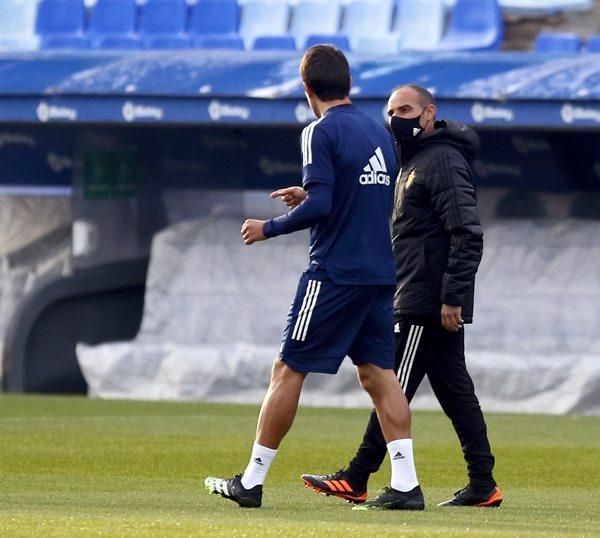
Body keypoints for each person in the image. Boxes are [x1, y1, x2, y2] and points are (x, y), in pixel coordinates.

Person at [204, 46, 424, 511]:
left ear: (307, 89)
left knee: (287, 370)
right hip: (380, 274)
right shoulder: (378, 132)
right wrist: (310, 193)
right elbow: (360, 194)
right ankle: (406, 485)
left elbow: (323, 207)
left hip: (335, 274)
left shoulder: (318, 131)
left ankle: (252, 481)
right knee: (379, 375)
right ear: (347, 83)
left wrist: (269, 227)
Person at [296, 84, 503, 507]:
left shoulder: (442, 160)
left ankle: (359, 476)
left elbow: (467, 233)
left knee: (392, 384)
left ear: (429, 114)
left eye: (405, 110)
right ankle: (483, 484)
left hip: (426, 300)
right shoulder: (411, 162)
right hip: (418, 292)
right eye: (390, 111)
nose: (396, 119)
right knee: (455, 392)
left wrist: (452, 297)